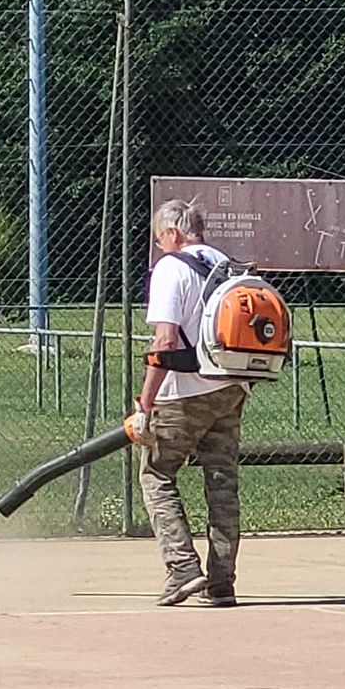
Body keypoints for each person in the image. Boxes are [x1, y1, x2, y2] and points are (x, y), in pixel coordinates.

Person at [130, 200, 247, 607]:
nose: (158, 246)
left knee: (157, 475)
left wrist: (145, 403)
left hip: (184, 392)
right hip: (230, 388)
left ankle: (182, 569)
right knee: (222, 482)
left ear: (173, 234)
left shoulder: (171, 266)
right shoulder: (228, 265)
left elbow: (165, 340)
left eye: (159, 238)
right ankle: (221, 582)